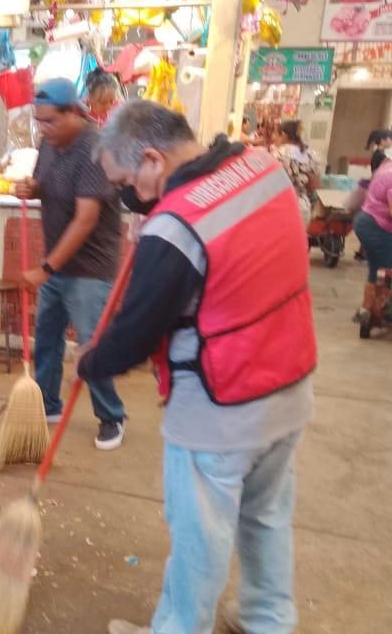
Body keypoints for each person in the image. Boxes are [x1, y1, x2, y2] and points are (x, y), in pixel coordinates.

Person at [78, 101, 315, 634]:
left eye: (128, 183)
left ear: (153, 160)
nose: (130, 198)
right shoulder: (261, 168)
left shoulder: (175, 226)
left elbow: (136, 333)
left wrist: (92, 360)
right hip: (290, 385)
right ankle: (268, 620)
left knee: (199, 541)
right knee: (266, 518)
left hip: (220, 409)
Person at [13, 77, 127, 450]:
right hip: (57, 264)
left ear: (75, 113)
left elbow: (86, 219)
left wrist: (45, 269)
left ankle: (111, 416)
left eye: (50, 121)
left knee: (91, 347)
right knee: (47, 338)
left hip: (90, 269)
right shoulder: (50, 144)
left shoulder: (95, 149)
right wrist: (32, 188)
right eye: (39, 121)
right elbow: (46, 183)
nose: (43, 129)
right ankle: (48, 404)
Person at [352, 150, 392, 337]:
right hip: (377, 226)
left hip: (367, 221)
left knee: (376, 271)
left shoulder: (385, 167)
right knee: (384, 271)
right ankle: (378, 312)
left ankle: (366, 313)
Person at [273, 119, 321, 227]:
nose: (274, 138)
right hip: (303, 208)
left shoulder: (277, 154)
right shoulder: (312, 155)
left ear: (284, 135)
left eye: (276, 134)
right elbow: (314, 185)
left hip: (281, 207)